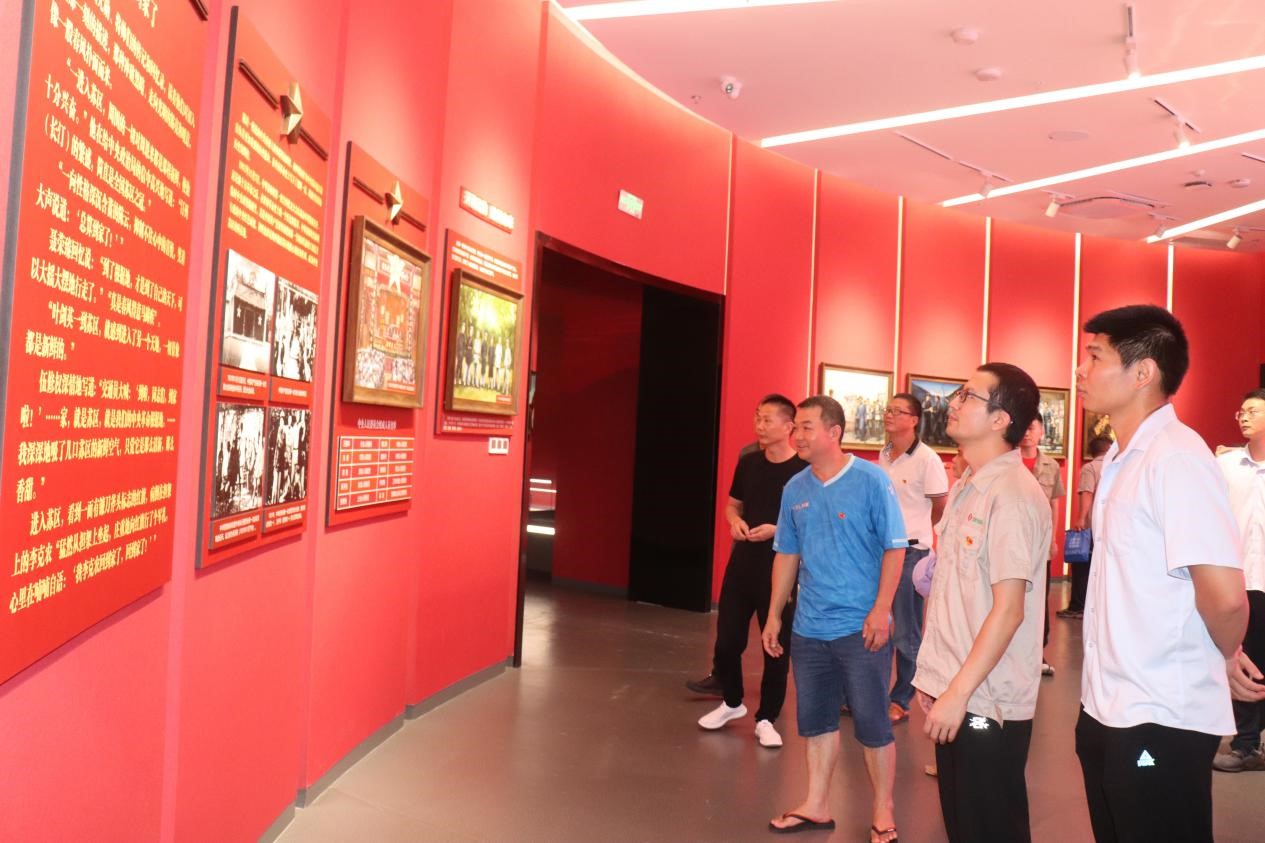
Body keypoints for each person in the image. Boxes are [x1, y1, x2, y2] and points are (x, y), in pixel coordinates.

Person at [1075, 304, 1251, 843]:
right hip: (1106, 703)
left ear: (1143, 372)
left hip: (1160, 711)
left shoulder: (1176, 457)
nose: (1081, 369)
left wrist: (1224, 652)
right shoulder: (1120, 459)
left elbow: (1225, 597)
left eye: (1095, 357)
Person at [913, 363, 1051, 843]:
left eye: (968, 396)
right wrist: (937, 678)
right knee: (964, 825)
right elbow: (955, 593)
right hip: (957, 688)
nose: (953, 403)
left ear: (1000, 419)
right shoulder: (968, 487)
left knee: (989, 827)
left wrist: (957, 693)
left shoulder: (1013, 496)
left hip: (986, 701)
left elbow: (1009, 610)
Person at [761, 396, 906, 842]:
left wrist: (881, 609)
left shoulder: (871, 480)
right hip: (809, 628)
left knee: (872, 723)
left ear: (834, 432)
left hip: (861, 627)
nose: (797, 436)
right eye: (796, 428)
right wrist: (774, 616)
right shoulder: (795, 489)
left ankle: (883, 809)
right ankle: (817, 804)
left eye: (806, 427)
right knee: (816, 720)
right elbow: (787, 555)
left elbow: (895, 548)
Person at [694, 395, 807, 748]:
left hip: (780, 567)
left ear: (788, 427)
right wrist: (735, 522)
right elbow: (733, 505)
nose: (759, 425)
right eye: (758, 418)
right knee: (727, 641)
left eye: (767, 419)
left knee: (775, 646)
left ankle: (767, 718)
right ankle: (732, 702)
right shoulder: (749, 462)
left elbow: (811, 521)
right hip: (742, 563)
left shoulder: (803, 470)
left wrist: (777, 530)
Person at [879, 392, 949, 724]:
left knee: (906, 632)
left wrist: (923, 534)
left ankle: (901, 699)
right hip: (882, 551)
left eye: (897, 411)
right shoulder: (884, 455)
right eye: (887, 410)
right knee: (877, 623)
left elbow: (940, 506)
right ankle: (872, 693)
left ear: (914, 419)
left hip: (912, 552)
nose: (889, 415)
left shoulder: (927, 459)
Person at [1213, 389, 1265, 772]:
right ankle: (1246, 744)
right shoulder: (1225, 465)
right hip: (1241, 580)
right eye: (1241, 411)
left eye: (1253, 411)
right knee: (1247, 661)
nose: (1243, 417)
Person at [1018, 417, 1064, 676]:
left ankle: (1038, 652)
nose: (1027, 433)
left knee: (1039, 598)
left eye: (1031, 428)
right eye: (1024, 427)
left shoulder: (1051, 466)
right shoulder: (1008, 462)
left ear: (1041, 432)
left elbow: (1054, 504)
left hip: (1039, 542)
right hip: (1013, 539)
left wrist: (1053, 539)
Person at [1058, 435, 1112, 619]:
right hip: (1112, 527)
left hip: (1093, 527)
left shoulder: (1090, 468)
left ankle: (1078, 606)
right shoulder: (1117, 466)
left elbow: (1087, 492)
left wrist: (1081, 518)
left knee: (1082, 566)